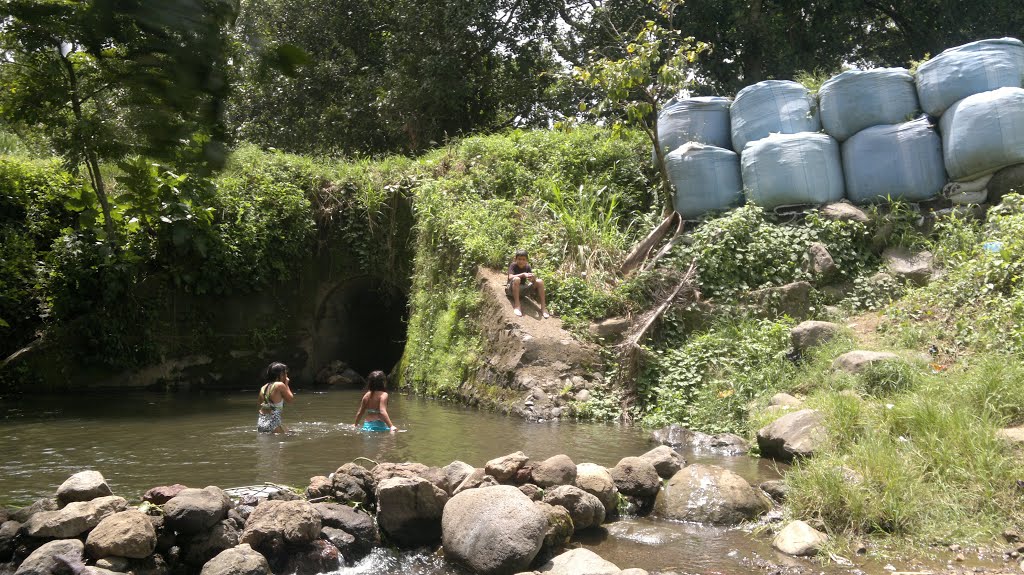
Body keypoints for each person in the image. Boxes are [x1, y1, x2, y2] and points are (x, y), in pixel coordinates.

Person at [506, 249, 549, 318]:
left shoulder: (527, 267)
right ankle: (517, 306)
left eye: (523, 259)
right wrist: (523, 274)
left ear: (526, 260)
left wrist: (534, 279)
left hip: (522, 291)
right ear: (515, 259)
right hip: (511, 290)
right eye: (519, 259)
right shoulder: (513, 265)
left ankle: (543, 308)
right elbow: (510, 277)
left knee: (540, 281)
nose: (521, 261)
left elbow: (532, 282)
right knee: (517, 279)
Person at [257, 362, 294, 433]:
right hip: (273, 423)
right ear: (280, 375)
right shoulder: (279, 385)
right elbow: (290, 400)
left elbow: (260, 404)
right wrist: (286, 384)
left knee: (289, 432)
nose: (286, 376)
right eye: (285, 373)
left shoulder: (263, 388)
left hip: (261, 423)